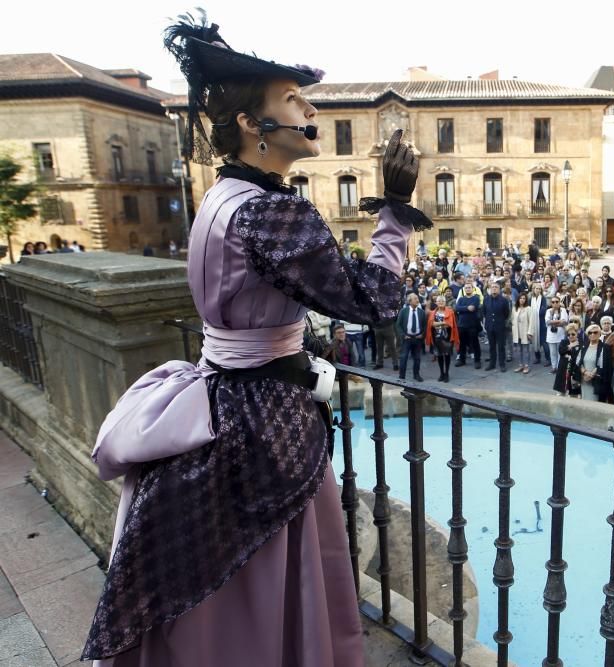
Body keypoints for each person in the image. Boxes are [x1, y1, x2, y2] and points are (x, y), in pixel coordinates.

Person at [82, 18, 426, 664]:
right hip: (262, 432)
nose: (310, 107)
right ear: (251, 123)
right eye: (293, 98)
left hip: (217, 404)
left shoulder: (219, 199)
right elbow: (375, 301)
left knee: (219, 604)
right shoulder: (272, 213)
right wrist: (396, 211)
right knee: (272, 596)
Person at [426, 294, 459, 382]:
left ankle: (447, 373)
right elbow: (431, 324)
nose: (440, 302)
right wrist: (442, 323)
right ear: (436, 302)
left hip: (447, 338)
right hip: (436, 337)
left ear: (445, 302)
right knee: (439, 356)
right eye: (439, 301)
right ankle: (441, 373)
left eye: (442, 301)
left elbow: (449, 325)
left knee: (447, 356)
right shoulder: (433, 312)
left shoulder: (450, 312)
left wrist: (438, 324)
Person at [397, 292, 426, 382]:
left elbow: (425, 325)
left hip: (417, 338)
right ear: (410, 301)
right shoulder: (404, 311)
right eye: (415, 299)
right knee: (404, 357)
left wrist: (422, 334)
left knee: (417, 358)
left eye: (417, 298)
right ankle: (402, 376)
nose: (417, 300)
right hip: (407, 338)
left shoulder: (421, 312)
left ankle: (416, 375)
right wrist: (403, 335)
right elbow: (398, 325)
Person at [580, 324, 613, 401]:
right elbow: (579, 361)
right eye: (590, 332)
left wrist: (591, 375)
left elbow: (604, 365)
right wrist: (585, 372)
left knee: (594, 404)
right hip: (584, 380)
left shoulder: (605, 347)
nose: (592, 334)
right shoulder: (584, 346)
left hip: (597, 381)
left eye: (595, 332)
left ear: (599, 334)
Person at [483, 282, 511, 372]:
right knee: (491, 346)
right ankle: (492, 363)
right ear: (490, 289)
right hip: (490, 326)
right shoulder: (486, 299)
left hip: (500, 326)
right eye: (492, 287)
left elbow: (506, 313)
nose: (494, 288)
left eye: (496, 287)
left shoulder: (504, 300)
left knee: (501, 346)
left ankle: (502, 364)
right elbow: (484, 312)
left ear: (499, 289)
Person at [455, 283, 482, 369]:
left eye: (469, 288)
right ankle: (462, 359)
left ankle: (477, 360)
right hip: (462, 325)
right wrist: (466, 308)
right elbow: (457, 308)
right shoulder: (461, 299)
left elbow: (473, 308)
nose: (467, 289)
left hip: (472, 325)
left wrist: (462, 308)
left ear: (472, 289)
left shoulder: (476, 298)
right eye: (466, 288)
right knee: (462, 343)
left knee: (475, 343)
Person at [553, 322, 583, 397]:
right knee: (560, 394)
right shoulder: (564, 342)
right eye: (568, 334)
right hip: (563, 370)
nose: (570, 336)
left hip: (574, 371)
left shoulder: (581, 343)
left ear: (577, 333)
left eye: (573, 334)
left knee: (574, 394)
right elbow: (561, 351)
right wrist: (570, 346)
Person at [511, 292, 536, 374]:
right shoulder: (515, 308)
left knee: (526, 350)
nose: (522, 300)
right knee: (519, 350)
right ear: (518, 299)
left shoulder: (528, 308)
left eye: (524, 298)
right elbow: (512, 320)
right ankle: (520, 365)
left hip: (525, 332)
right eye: (521, 298)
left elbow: (532, 321)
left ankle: (526, 366)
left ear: (526, 300)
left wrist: (530, 333)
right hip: (517, 332)